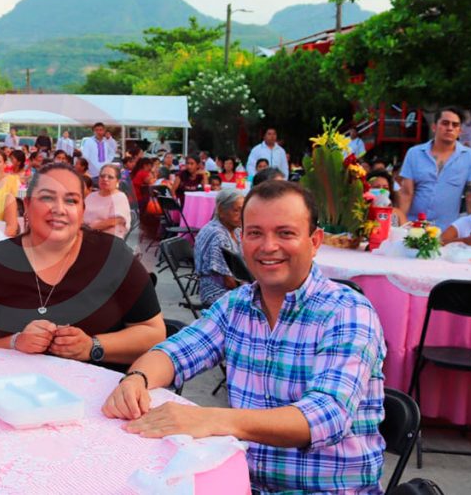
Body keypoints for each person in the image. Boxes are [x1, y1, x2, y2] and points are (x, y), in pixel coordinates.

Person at [103, 180, 386, 493]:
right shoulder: (236, 305)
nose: (268, 246)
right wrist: (136, 379)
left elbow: (326, 416)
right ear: (240, 239)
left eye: (285, 233)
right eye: (255, 233)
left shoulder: (347, 311)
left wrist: (211, 419)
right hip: (240, 481)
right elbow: (176, 351)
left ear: (315, 241)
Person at [0, 163, 166, 370]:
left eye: (71, 200)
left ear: (82, 210)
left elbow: (154, 333)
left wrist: (92, 346)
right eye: (47, 198)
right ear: (27, 205)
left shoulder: (113, 256)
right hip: (11, 385)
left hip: (99, 388)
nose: (59, 209)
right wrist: (15, 342)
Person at [398, 107, 471, 226]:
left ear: (460, 131)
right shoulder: (414, 153)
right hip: (414, 226)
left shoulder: (470, 156)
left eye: (455, 125)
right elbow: (406, 193)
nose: (450, 128)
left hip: (448, 229)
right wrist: (401, 226)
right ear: (434, 127)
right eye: (445, 123)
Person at [193, 190, 245, 306]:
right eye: (236, 210)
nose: (242, 215)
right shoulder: (218, 235)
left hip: (231, 286)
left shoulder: (234, 230)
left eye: (244, 210)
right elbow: (229, 282)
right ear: (221, 210)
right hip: (216, 292)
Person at [83, 164, 131, 239]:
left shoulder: (120, 197)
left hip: (107, 238)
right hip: (86, 234)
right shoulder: (91, 196)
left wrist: (89, 228)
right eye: (102, 176)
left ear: (117, 181)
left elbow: (114, 221)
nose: (105, 179)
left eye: (110, 177)